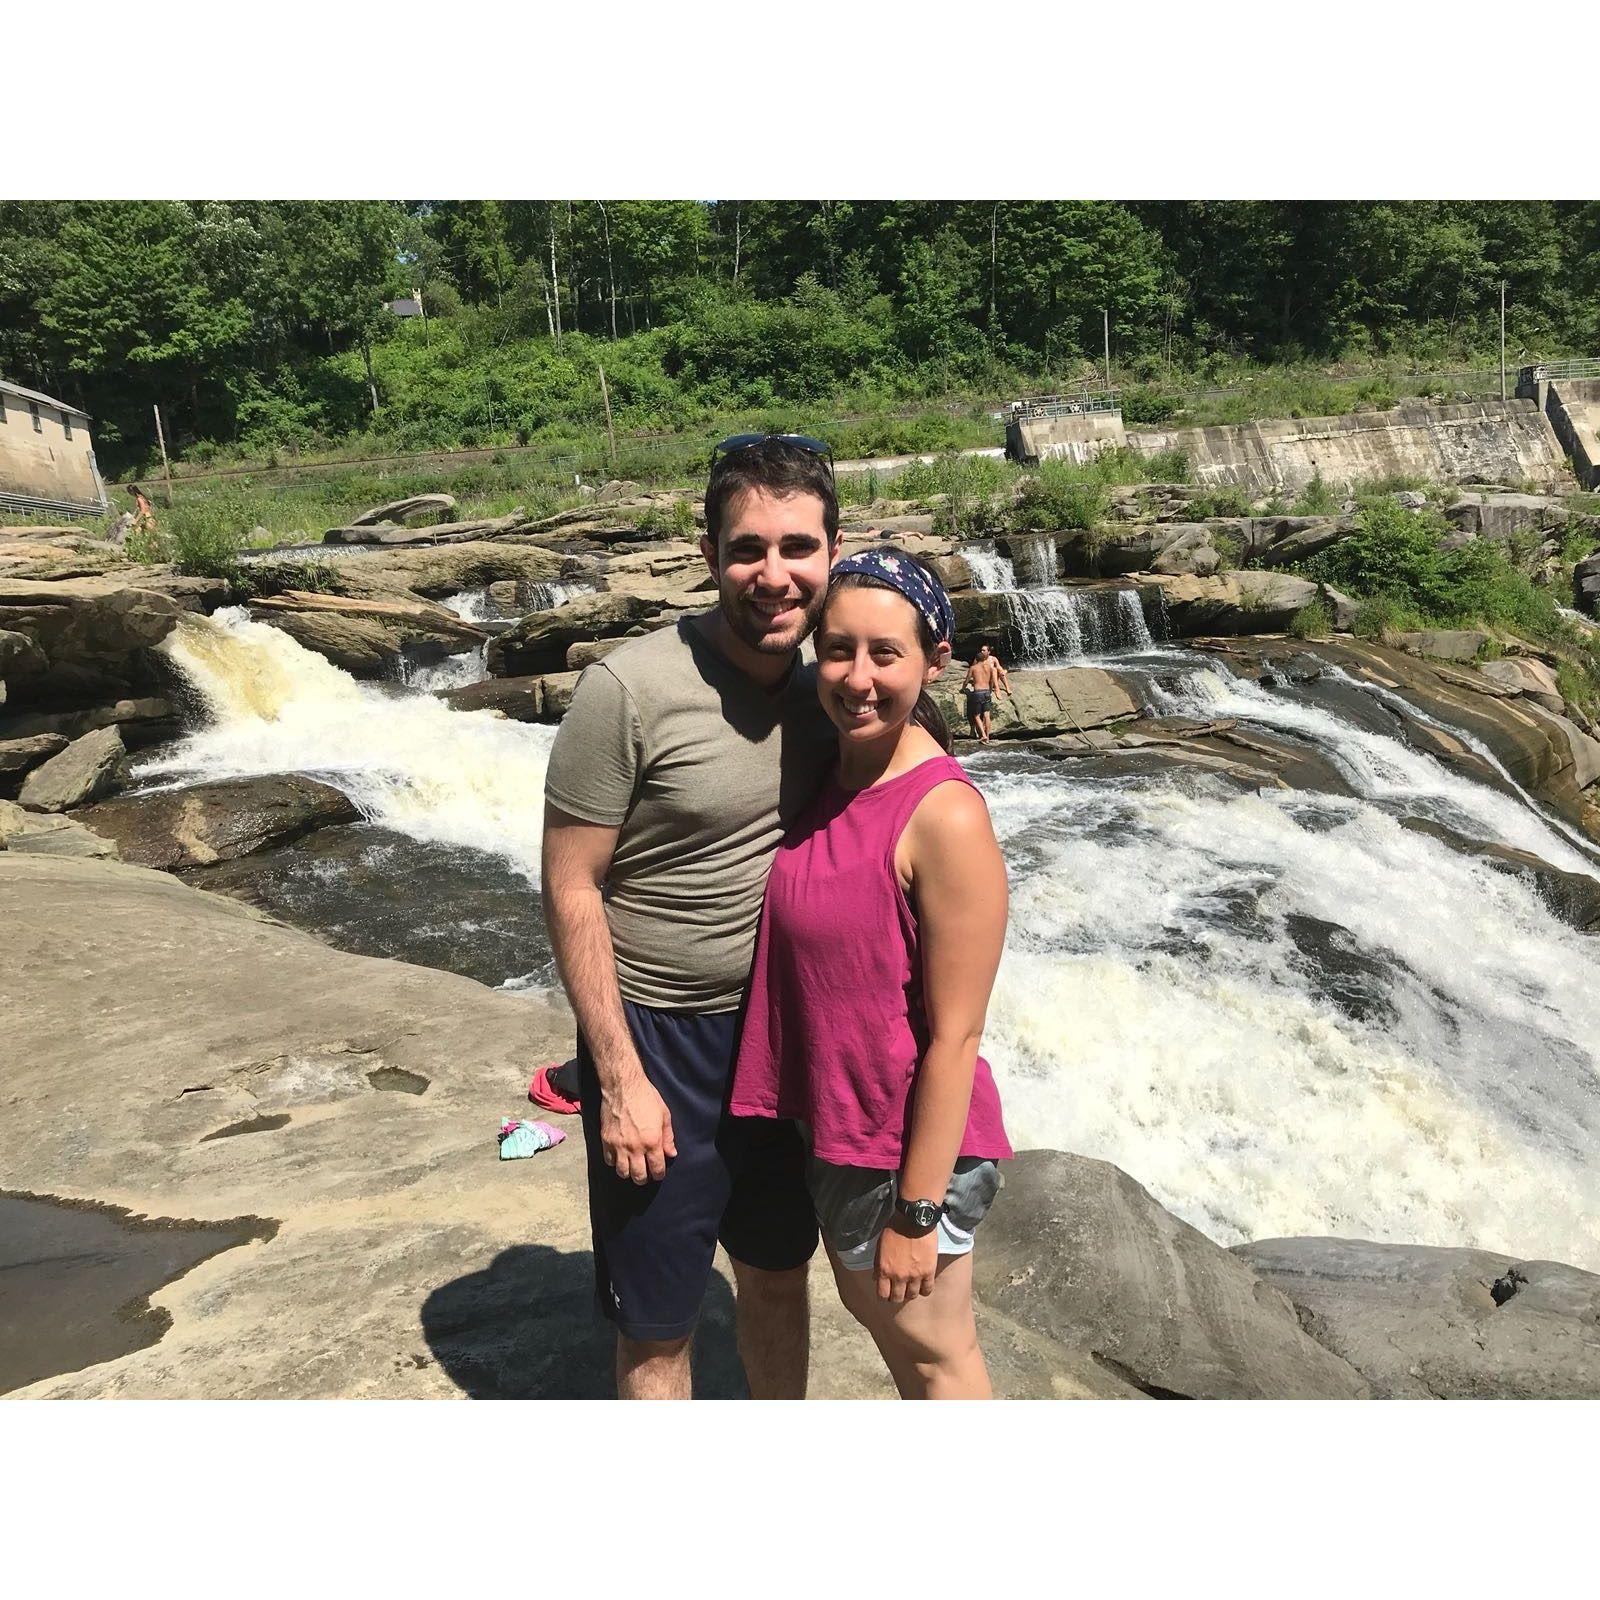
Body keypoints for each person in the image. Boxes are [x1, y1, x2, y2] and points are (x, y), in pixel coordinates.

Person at [540, 434, 841, 1400]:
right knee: (660, 1323)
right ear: (708, 556)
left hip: (780, 1039)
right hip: (659, 1040)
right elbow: (571, 884)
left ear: (832, 552)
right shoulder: (627, 692)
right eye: (748, 548)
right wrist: (618, 1077)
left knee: (776, 1276)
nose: (774, 574)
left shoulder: (832, 685)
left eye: (798, 547)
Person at [729, 549, 1012, 1400]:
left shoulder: (945, 815)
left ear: (936, 658)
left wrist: (918, 1216)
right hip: (841, 1133)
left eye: (885, 653)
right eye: (838, 648)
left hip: (901, 1158)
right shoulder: (838, 767)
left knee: (937, 1361)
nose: (856, 677)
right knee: (900, 1350)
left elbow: (958, 1034)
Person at [961, 643, 1009, 744]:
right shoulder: (990, 668)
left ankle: (982, 735)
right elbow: (992, 680)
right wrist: (992, 689)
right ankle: (987, 737)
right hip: (987, 692)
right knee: (987, 715)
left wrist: (963, 688)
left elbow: (967, 680)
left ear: (976, 659)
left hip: (978, 693)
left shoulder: (973, 668)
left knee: (977, 716)